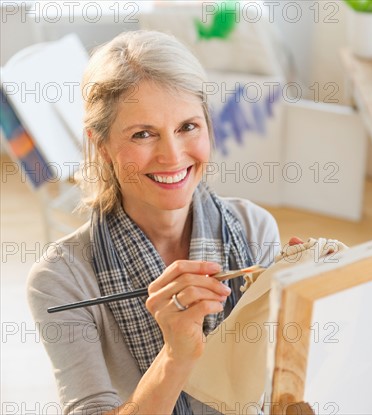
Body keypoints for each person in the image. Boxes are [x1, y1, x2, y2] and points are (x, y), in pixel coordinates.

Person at [27, 30, 295, 415]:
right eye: (143, 134)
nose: (172, 156)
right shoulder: (60, 280)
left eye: (188, 127)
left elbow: (279, 379)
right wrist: (175, 355)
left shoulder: (255, 228)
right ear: (101, 145)